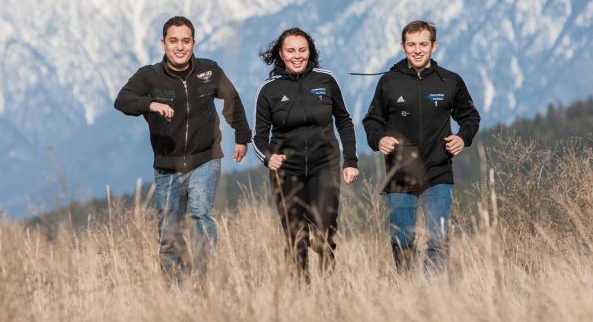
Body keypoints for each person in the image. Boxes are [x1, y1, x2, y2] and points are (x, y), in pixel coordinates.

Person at [114, 16, 251, 279]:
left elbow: (232, 99)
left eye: (185, 41)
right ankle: (177, 291)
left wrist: (242, 136)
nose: (180, 47)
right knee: (168, 234)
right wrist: (151, 104)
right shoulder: (149, 76)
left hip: (205, 158)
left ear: (193, 43)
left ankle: (204, 282)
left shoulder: (209, 71)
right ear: (163, 44)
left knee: (200, 215)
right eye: (173, 41)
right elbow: (123, 100)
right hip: (167, 166)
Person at [362, 20, 480, 273]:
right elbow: (372, 120)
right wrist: (378, 139)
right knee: (402, 241)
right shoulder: (389, 82)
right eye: (412, 44)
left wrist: (463, 138)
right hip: (400, 173)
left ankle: (432, 291)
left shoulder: (449, 81)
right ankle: (407, 292)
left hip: (438, 171)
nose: (417, 50)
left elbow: (470, 117)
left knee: (438, 238)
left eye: (423, 44)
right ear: (402, 46)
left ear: (433, 46)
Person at [252, 28, 359, 277]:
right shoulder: (268, 89)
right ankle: (302, 292)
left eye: (302, 50)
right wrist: (269, 157)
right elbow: (258, 137)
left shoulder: (325, 80)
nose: (297, 56)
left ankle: (328, 288)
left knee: (325, 231)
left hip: (325, 165)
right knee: (295, 234)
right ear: (281, 53)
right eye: (291, 51)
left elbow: (344, 121)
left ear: (310, 52)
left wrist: (350, 161)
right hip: (287, 171)